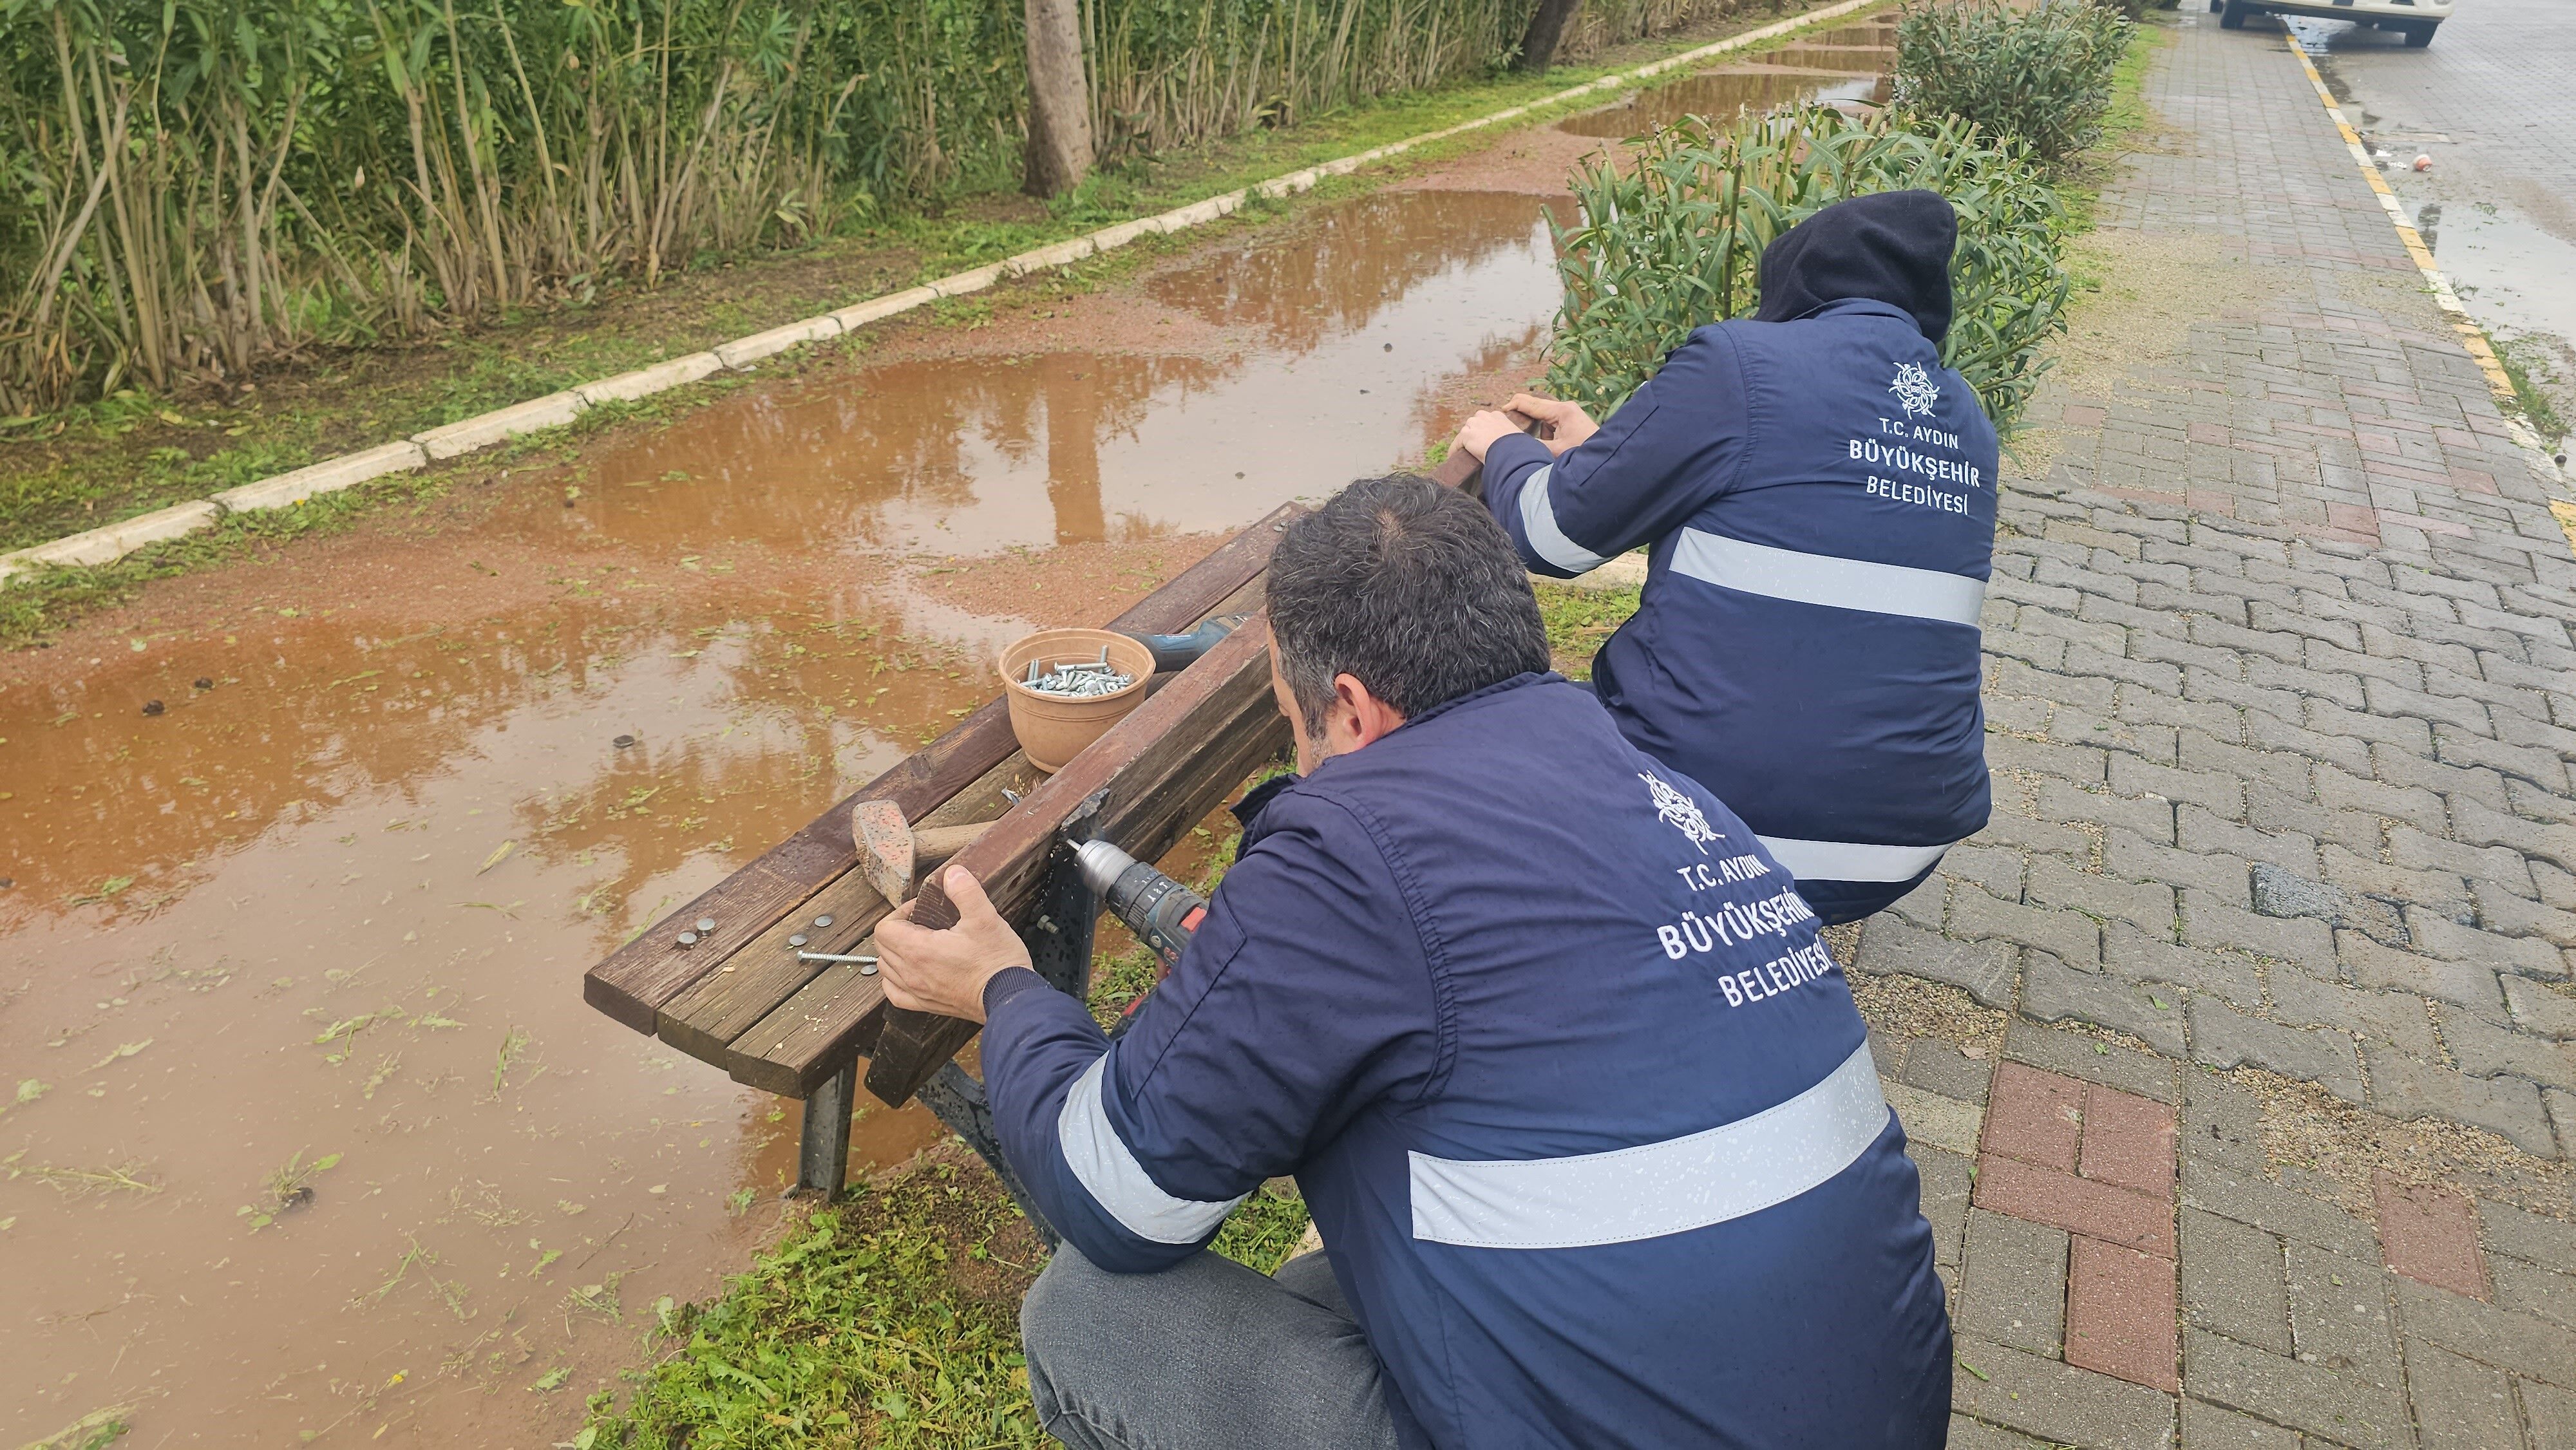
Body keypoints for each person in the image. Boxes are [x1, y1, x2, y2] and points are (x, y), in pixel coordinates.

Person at [875, 476, 1951, 1450]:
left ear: (1347, 707)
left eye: (1297, 724)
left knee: (1091, 1315)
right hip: (1879, 1403)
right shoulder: (1666, 789)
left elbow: (1116, 1194)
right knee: (1334, 1270)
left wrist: (1000, 990)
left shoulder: (1353, 846)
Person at [1452, 189, 1999, 925]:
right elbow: (1777, 505)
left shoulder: (1742, 362)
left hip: (1719, 829)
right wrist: (1605, 453)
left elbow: (1549, 538)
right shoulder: (1965, 415)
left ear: (1795, 280)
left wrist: (1503, 446)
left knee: (1482, 723)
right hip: (1898, 846)